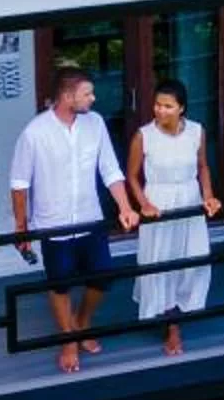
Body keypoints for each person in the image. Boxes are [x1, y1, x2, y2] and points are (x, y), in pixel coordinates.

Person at [8, 65, 139, 374]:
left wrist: (125, 206)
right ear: (67, 96)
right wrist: (21, 228)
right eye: (87, 94)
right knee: (60, 284)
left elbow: (110, 169)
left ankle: (82, 322)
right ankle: (69, 340)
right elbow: (19, 184)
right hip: (53, 223)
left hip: (90, 217)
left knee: (103, 275)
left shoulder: (95, 124)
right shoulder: (35, 132)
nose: (93, 99)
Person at [130, 78, 221, 356]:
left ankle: (182, 309)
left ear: (181, 108)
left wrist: (208, 195)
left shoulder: (196, 131)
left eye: (168, 106)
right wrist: (144, 203)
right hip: (159, 201)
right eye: (157, 105)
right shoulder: (143, 135)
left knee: (191, 258)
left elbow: (203, 167)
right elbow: (132, 176)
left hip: (189, 199)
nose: (160, 110)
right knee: (162, 262)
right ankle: (172, 327)